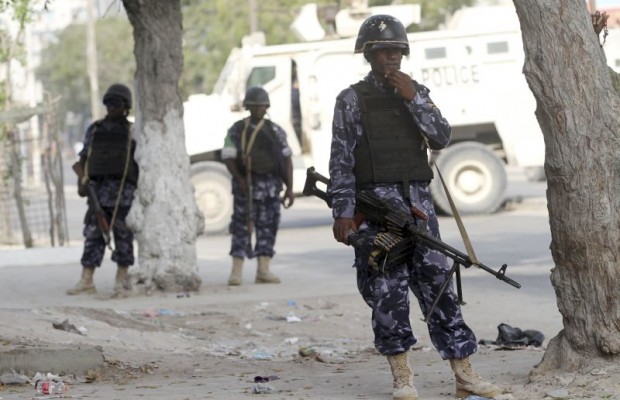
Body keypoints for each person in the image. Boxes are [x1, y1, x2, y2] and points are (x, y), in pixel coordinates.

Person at [327, 15, 502, 400]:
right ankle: (403, 378)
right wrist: (342, 211)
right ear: (370, 56)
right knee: (387, 293)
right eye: (384, 52)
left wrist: (414, 98)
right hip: (376, 211)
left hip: (419, 207)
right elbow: (341, 160)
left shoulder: (415, 92)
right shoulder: (351, 99)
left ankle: (465, 374)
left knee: (439, 288)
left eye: (397, 52)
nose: (392, 58)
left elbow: (440, 136)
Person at [67, 83, 139, 298]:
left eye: (116, 103)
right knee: (93, 236)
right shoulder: (95, 129)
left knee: (123, 237)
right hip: (97, 191)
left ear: (125, 106)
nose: (111, 107)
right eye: (108, 103)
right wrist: (84, 184)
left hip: (122, 194)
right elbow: (84, 159)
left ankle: (121, 281)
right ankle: (87, 280)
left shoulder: (132, 131)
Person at [221, 86, 294, 286]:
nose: (259, 109)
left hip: (270, 187)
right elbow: (228, 157)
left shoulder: (275, 130)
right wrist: (240, 179)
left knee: (268, 227)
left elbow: (287, 159)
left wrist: (289, 188)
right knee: (241, 227)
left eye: (262, 106)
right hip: (247, 187)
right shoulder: (237, 129)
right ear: (248, 107)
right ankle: (236, 271)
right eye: (255, 106)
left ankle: (263, 270)